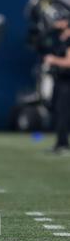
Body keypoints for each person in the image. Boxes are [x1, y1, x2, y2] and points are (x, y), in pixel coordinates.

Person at [44, 19, 70, 155]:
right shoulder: (60, 39)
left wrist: (53, 60)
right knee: (57, 111)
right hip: (59, 81)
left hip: (67, 82)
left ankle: (63, 144)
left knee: (63, 112)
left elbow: (69, 62)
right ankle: (60, 143)